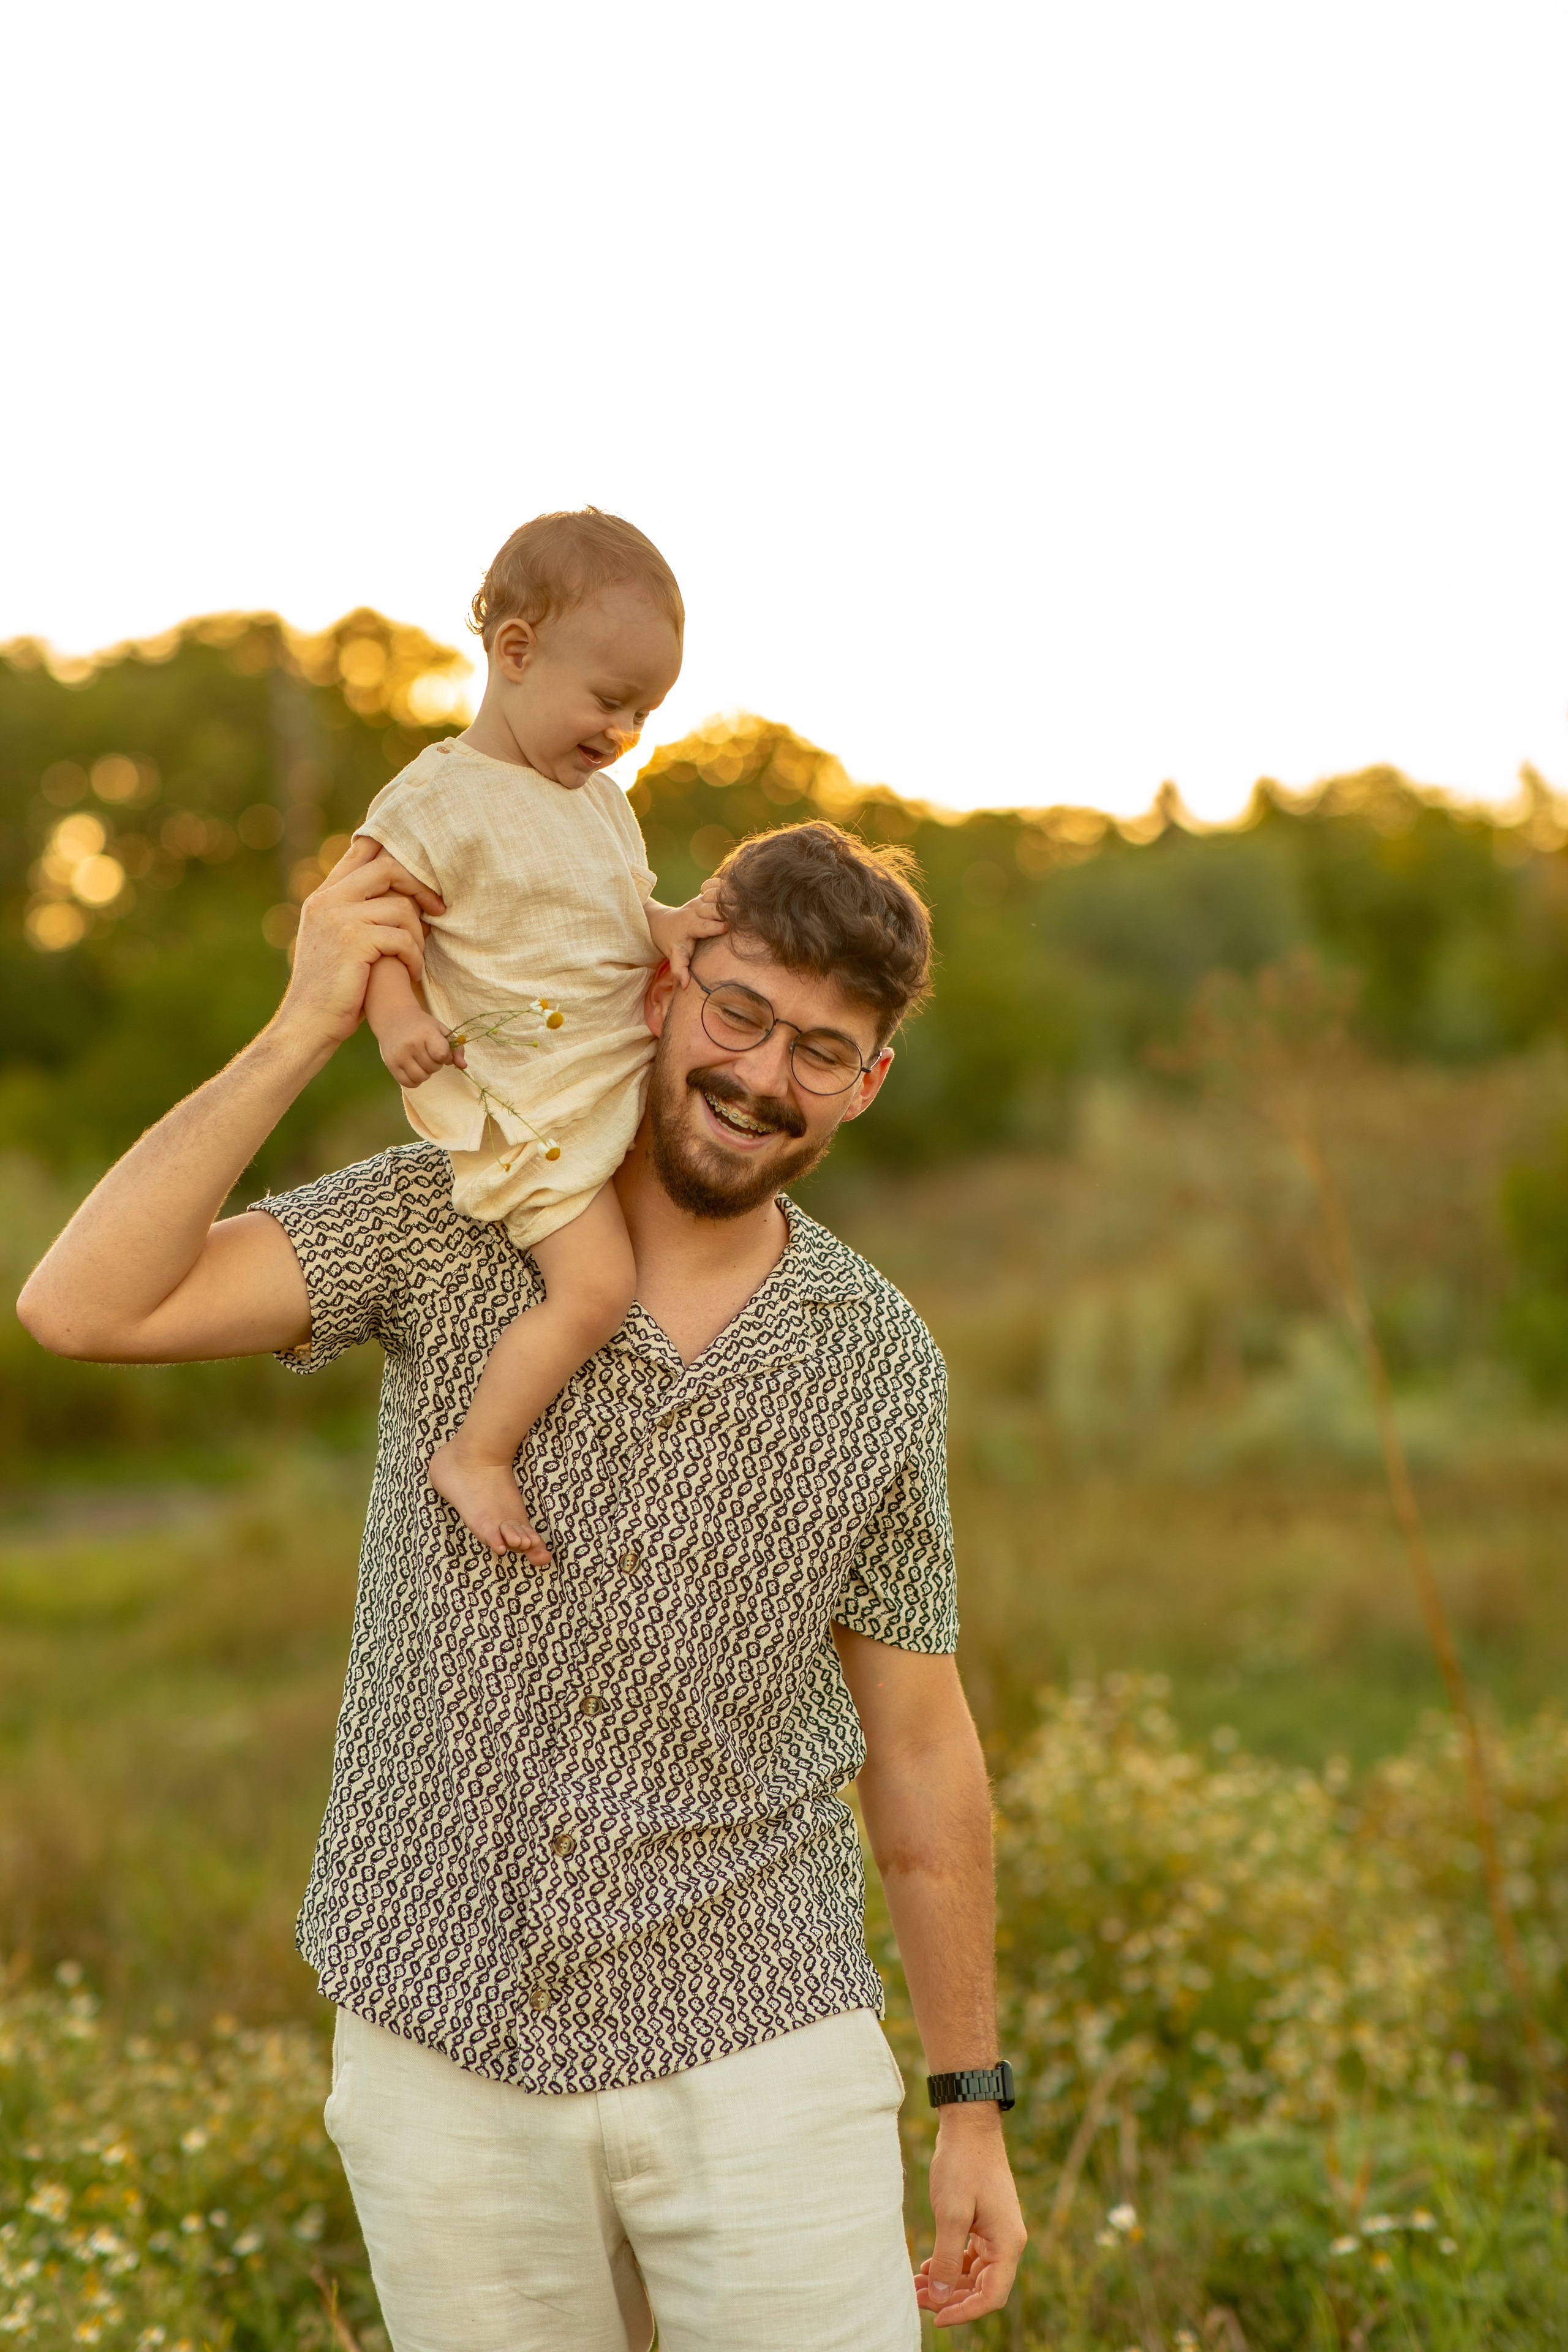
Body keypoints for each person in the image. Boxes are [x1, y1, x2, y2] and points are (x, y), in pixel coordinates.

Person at [18, 818, 1027, 2351]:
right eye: (739, 1012)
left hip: (761, 2032)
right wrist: (305, 1022)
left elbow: (923, 1742)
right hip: (441, 2041)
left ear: (869, 1081)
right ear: (661, 981)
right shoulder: (451, 1211)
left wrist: (971, 2106)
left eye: (823, 1051)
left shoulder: (876, 1360)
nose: (762, 1077)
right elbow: (80, 1308)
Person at [358, 508, 726, 1564]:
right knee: (600, 1289)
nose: (624, 733)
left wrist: (671, 927)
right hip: (536, 1110)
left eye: (646, 713)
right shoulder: (439, 797)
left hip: (612, 1076)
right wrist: (398, 1017)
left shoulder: (602, 800)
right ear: (516, 652)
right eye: (612, 701)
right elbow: (379, 921)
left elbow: (620, 911)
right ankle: (476, 1451)